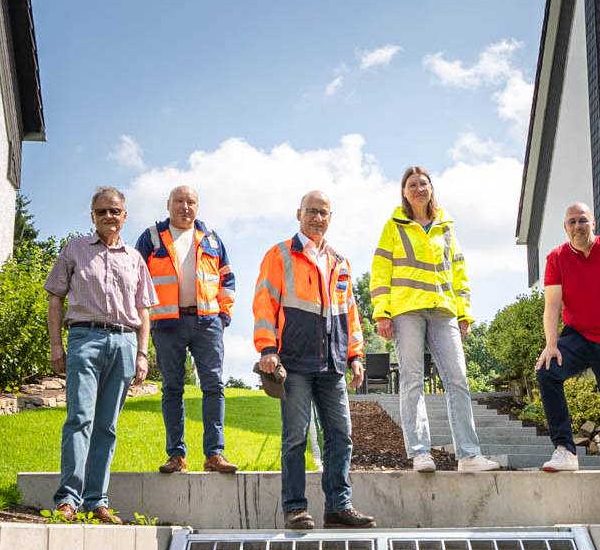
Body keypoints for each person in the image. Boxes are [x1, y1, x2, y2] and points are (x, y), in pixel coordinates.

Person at [253, 190, 376, 530]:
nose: (318, 218)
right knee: (295, 437)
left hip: (333, 365)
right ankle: (295, 508)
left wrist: (355, 355)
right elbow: (264, 303)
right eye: (312, 211)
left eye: (324, 213)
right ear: (299, 214)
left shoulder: (340, 262)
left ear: (330, 217)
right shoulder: (279, 255)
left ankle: (338, 506)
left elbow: (350, 312)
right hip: (293, 364)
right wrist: (267, 348)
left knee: (341, 436)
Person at [372, 166, 501, 473]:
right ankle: (420, 453)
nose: (419, 188)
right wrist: (381, 311)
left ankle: (469, 455)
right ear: (404, 192)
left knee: (458, 379)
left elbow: (458, 271)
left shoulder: (446, 225)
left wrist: (464, 313)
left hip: (444, 310)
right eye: (412, 184)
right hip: (407, 310)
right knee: (412, 379)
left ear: (431, 189)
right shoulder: (393, 225)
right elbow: (380, 269)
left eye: (423, 183)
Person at [43, 186, 155, 523]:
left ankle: (97, 501)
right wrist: (55, 344)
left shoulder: (135, 259)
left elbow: (143, 310)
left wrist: (142, 354)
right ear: (92, 216)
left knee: (107, 427)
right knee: (80, 419)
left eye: (115, 211)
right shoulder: (74, 249)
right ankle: (68, 499)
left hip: (123, 344)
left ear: (124, 216)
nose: (109, 216)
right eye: (102, 211)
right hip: (84, 339)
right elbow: (54, 299)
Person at [137, 185, 239, 475]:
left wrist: (222, 317)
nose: (185, 206)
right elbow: (136, 279)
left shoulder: (212, 239)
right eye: (179, 201)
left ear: (198, 206)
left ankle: (215, 454)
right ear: (168, 204)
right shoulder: (152, 237)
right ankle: (176, 455)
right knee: (172, 388)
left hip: (207, 323)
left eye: (190, 202)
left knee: (214, 386)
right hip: (167, 323)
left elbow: (227, 280)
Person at [533, 201, 600, 472]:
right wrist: (551, 344)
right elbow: (553, 305)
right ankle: (565, 450)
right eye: (572, 222)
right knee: (547, 371)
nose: (578, 226)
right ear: (565, 228)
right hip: (579, 336)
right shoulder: (556, 258)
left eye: (583, 220)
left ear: (593, 223)